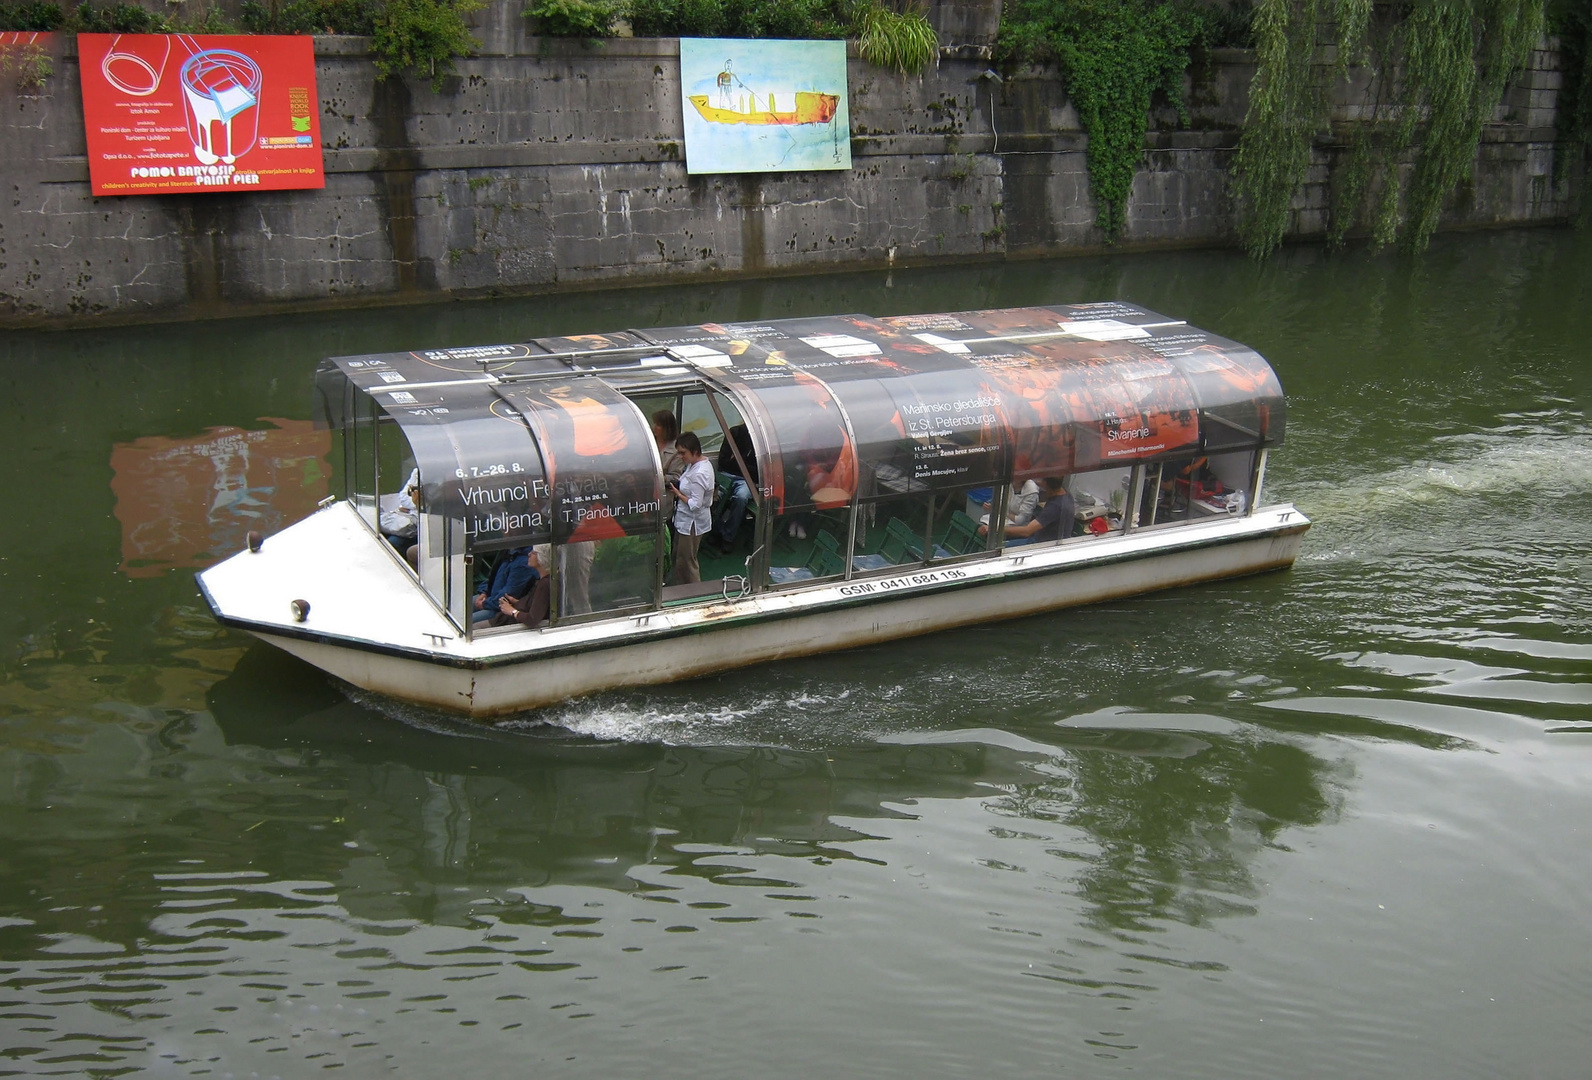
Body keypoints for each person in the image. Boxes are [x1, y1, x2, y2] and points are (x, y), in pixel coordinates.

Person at [669, 431, 715, 584]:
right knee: (679, 556)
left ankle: (695, 593)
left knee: (688, 560)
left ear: (694, 451)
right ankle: (680, 587)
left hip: (692, 523)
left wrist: (677, 494)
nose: (681, 457)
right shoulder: (693, 465)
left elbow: (695, 505)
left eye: (683, 453)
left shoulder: (700, 473)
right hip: (685, 520)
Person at [979, 476, 1075, 547]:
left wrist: (993, 528)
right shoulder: (1064, 493)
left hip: (1044, 545)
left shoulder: (1055, 507)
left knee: (999, 548)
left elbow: (1027, 531)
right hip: (1045, 536)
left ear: (1045, 483)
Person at [712, 423, 757, 551]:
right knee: (714, 497)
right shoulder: (735, 432)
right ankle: (717, 530)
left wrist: (737, 462)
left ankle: (728, 536)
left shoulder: (760, 440)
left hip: (746, 480)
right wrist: (744, 466)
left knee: (741, 498)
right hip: (726, 475)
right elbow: (723, 461)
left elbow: (758, 472)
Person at [470, 544, 536, 624]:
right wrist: (484, 592)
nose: (504, 531)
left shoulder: (524, 561)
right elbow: (492, 575)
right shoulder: (507, 550)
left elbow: (507, 595)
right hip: (490, 596)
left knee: (467, 622)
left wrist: (485, 603)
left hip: (500, 609)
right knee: (458, 608)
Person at [379, 468, 420, 555]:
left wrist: (418, 505)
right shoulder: (417, 472)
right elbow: (403, 497)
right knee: (382, 535)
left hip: (422, 525)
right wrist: (415, 504)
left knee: (393, 543)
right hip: (411, 519)